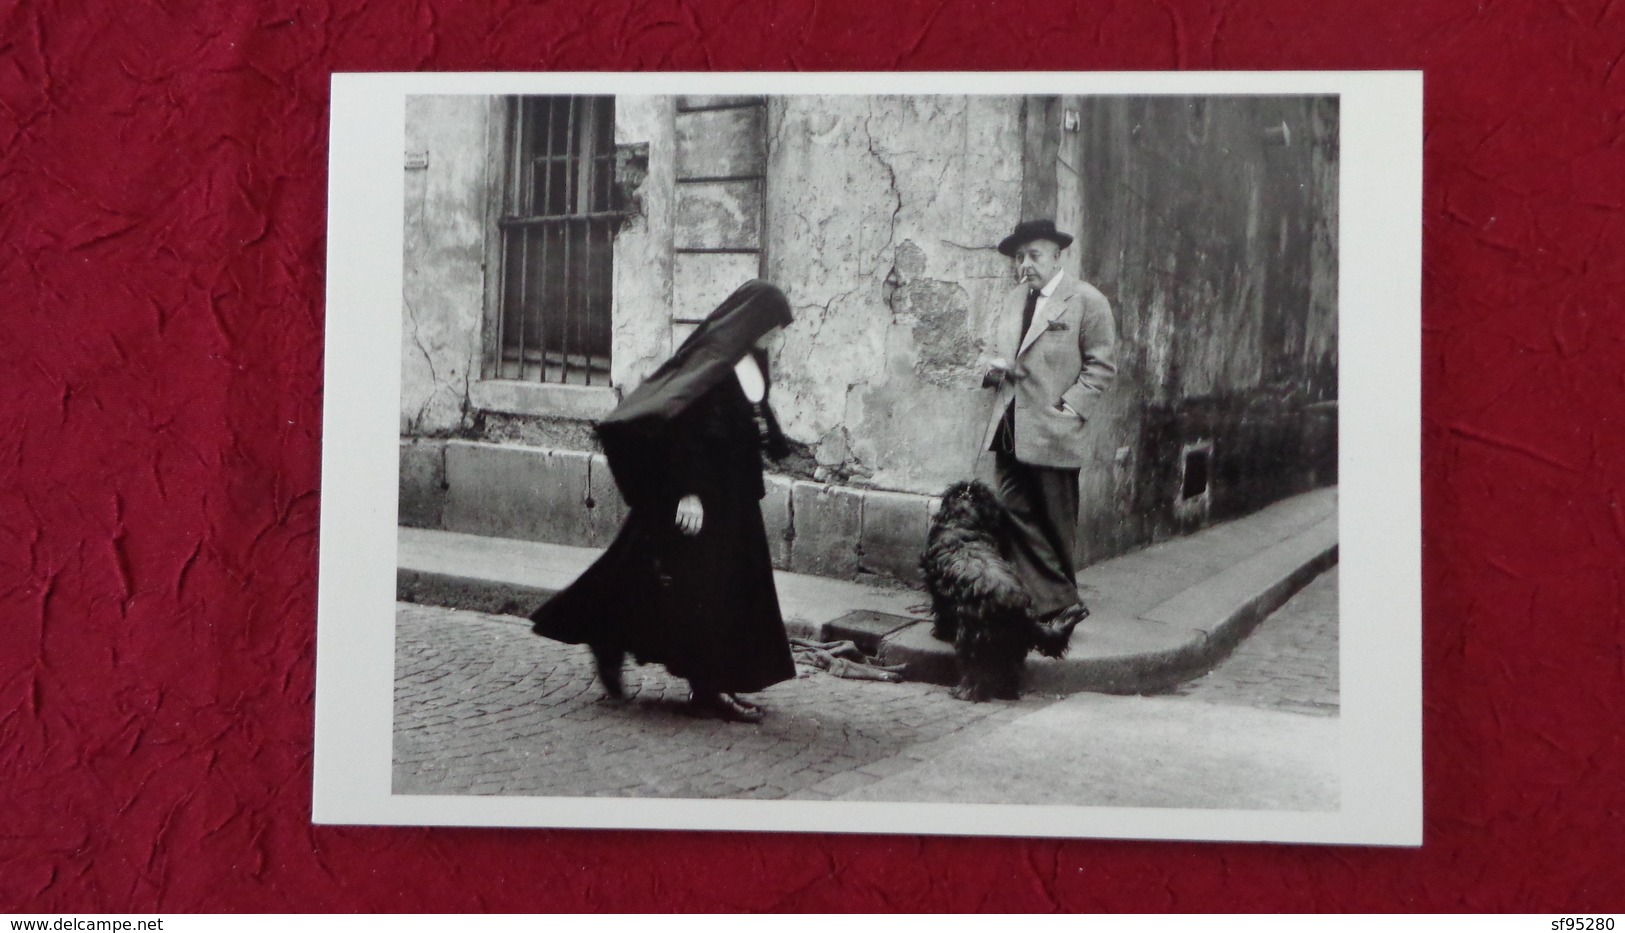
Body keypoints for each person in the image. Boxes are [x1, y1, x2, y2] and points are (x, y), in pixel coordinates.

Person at [531, 280, 797, 724]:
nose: (778, 336)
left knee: (645, 576)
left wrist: (773, 438)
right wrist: (687, 492)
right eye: (774, 326)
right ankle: (708, 688)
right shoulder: (713, 359)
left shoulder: (754, 360)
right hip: (702, 495)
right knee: (707, 587)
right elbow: (682, 425)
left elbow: (750, 414)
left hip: (734, 492)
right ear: (754, 321)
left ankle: (610, 635)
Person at [979, 219, 1117, 641]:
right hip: (1010, 424)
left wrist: (1069, 408)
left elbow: (1101, 365)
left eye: (1034, 255)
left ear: (1058, 255)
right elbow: (994, 349)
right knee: (1011, 511)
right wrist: (990, 368)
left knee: (1055, 521)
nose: (1025, 265)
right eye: (1019, 257)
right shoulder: (1013, 299)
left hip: (1054, 429)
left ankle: (1056, 606)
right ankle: (1054, 602)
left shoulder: (1087, 301)